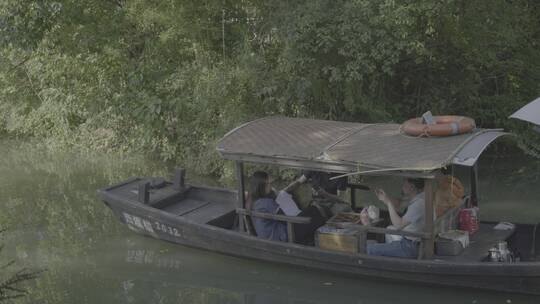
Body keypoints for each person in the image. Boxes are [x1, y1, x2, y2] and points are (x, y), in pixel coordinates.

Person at [248, 171, 328, 243]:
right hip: (281, 236)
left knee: (310, 213)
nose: (270, 186)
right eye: (268, 184)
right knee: (312, 211)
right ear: (261, 187)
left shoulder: (254, 201)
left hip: (268, 235)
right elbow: (285, 218)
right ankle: (325, 235)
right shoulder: (266, 202)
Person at [367, 178, 425, 258]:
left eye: (405, 185)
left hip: (409, 247)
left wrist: (388, 202)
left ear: (412, 187)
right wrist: (384, 198)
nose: (402, 187)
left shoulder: (419, 204)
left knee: (369, 249)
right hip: (411, 243)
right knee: (387, 232)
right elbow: (399, 203)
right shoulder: (420, 196)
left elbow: (398, 225)